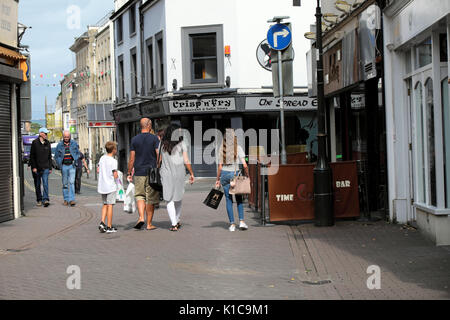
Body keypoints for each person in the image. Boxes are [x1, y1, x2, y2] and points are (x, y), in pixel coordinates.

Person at [127, 118, 160, 230]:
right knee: (150, 198)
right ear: (149, 125)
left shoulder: (134, 139)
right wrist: (158, 166)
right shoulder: (155, 138)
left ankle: (141, 217)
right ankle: (149, 224)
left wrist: (129, 172)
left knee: (140, 195)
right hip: (152, 171)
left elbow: (132, 158)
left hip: (139, 171)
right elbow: (158, 154)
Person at [160, 125, 194, 231]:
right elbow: (186, 160)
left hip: (166, 174)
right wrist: (192, 173)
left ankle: (174, 223)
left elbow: (159, 160)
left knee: (169, 199)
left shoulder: (162, 145)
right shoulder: (182, 144)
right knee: (178, 197)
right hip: (179, 173)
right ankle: (177, 220)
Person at [215, 129, 250, 232]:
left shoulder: (221, 149)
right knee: (239, 199)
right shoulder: (238, 148)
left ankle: (232, 224)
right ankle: (242, 222)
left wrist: (218, 179)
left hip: (225, 175)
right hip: (235, 175)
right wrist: (248, 176)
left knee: (228, 199)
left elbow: (220, 167)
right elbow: (244, 165)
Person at [97, 141, 119, 234]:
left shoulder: (102, 158)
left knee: (105, 204)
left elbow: (98, 169)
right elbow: (115, 175)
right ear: (113, 150)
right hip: (110, 186)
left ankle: (102, 222)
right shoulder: (113, 161)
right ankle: (109, 226)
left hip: (102, 186)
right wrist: (118, 176)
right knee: (110, 205)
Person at [55, 130, 80, 206]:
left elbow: (77, 153)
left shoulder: (74, 143)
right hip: (64, 166)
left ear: (70, 136)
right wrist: (60, 163)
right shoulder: (59, 145)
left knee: (72, 182)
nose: (66, 138)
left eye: (67, 137)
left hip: (72, 165)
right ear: (63, 137)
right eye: (65, 137)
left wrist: (75, 159)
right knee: (65, 184)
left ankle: (72, 199)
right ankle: (66, 199)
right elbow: (57, 156)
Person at [29, 127, 52, 207]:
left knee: (45, 184)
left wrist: (50, 167)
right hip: (37, 168)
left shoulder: (48, 143)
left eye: (46, 133)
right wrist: (34, 167)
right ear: (41, 134)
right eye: (45, 133)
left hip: (45, 167)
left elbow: (49, 156)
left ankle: (45, 199)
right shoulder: (35, 143)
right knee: (38, 184)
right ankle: (39, 199)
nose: (46, 135)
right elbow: (32, 156)